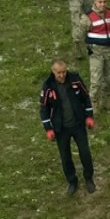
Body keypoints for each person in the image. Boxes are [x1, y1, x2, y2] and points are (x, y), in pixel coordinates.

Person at [38, 59, 97, 195]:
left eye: (64, 72)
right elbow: (43, 109)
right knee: (65, 157)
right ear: (53, 71)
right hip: (60, 128)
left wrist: (89, 116)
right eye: (59, 73)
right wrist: (48, 129)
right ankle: (72, 182)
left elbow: (86, 97)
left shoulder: (75, 79)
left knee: (85, 153)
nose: (62, 75)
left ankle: (89, 178)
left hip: (78, 124)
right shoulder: (48, 86)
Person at [84, 0, 110, 114]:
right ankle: (93, 104)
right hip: (96, 53)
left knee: (109, 78)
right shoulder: (88, 16)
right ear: (95, 1)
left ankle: (106, 101)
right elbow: (82, 34)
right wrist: (89, 48)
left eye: (104, 1)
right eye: (100, 2)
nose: (102, 4)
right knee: (96, 80)